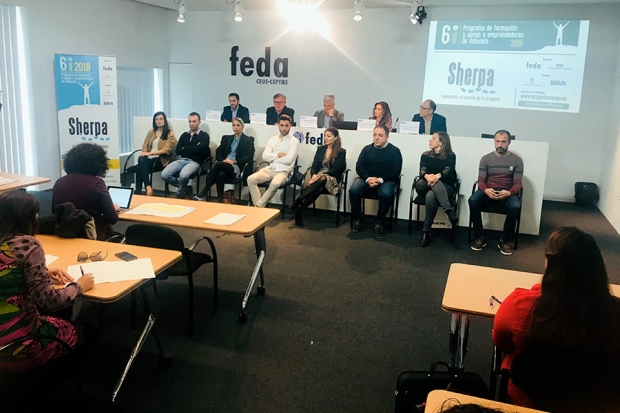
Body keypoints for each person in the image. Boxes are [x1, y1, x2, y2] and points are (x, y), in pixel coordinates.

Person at [492, 226, 620, 412]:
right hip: (597, 402)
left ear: (549, 263)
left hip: (531, 400)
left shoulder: (521, 306)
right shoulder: (615, 312)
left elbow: (501, 341)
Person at [0, 190, 95, 372]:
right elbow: (49, 300)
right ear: (27, 218)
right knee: (85, 331)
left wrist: (39, 272)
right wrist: (79, 286)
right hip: (15, 346)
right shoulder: (27, 245)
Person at [468, 130, 523, 256]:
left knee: (515, 206)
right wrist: (486, 190)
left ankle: (504, 240)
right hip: (489, 190)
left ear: (509, 142)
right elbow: (481, 181)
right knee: (473, 200)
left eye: (503, 142)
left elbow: (518, 184)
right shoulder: (486, 158)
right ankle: (479, 236)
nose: (500, 144)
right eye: (497, 141)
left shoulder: (517, 160)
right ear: (494, 142)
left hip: (507, 192)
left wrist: (509, 193)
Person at [52, 143, 118, 241]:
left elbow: (55, 211)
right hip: (92, 234)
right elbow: (112, 218)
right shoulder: (97, 184)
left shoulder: (59, 182)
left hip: (64, 233)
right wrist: (113, 208)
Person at [349, 124, 402, 236]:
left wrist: (380, 180)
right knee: (353, 190)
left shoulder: (395, 151)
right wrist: (368, 179)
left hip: (385, 180)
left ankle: (379, 221)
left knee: (387, 194)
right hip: (367, 178)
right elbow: (359, 166)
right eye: (374, 135)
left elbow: (395, 170)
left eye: (380, 135)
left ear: (387, 137)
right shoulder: (367, 149)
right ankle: (358, 218)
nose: (376, 138)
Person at [291, 126, 346, 227]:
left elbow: (338, 169)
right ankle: (299, 210)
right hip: (319, 180)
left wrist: (323, 175)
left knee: (323, 178)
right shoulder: (320, 149)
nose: (325, 138)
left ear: (335, 137)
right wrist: (314, 175)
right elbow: (314, 166)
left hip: (332, 178)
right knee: (319, 189)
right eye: (325, 136)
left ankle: (299, 200)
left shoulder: (341, 151)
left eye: (328, 136)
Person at [194, 117, 255, 203]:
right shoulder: (226, 138)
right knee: (221, 174)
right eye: (233, 125)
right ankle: (220, 201)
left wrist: (234, 161)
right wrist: (223, 160)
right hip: (224, 164)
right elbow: (218, 152)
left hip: (236, 166)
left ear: (242, 126)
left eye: (238, 125)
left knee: (218, 165)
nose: (236, 127)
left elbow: (249, 156)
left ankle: (203, 192)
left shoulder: (248, 140)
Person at [415, 132, 458, 247]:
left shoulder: (451, 156)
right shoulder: (425, 155)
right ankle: (449, 210)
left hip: (446, 187)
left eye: (433, 138)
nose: (430, 140)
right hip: (424, 184)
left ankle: (426, 232)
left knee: (431, 195)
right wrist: (428, 177)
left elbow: (448, 170)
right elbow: (422, 170)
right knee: (423, 185)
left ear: (441, 142)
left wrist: (437, 177)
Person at [247, 114, 300, 208]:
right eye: (282, 125)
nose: (284, 128)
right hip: (270, 169)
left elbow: (289, 160)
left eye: (286, 125)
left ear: (290, 126)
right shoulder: (273, 139)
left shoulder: (294, 141)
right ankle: (260, 207)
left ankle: (258, 207)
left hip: (283, 171)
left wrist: (272, 157)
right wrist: (278, 155)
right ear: (278, 125)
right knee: (250, 179)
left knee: (274, 184)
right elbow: (264, 156)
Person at [161, 112, 211, 199]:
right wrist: (194, 147)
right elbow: (178, 150)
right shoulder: (184, 135)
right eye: (190, 121)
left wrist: (185, 148)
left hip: (195, 162)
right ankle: (185, 188)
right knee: (164, 174)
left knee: (183, 175)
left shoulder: (204, 136)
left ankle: (180, 193)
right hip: (181, 160)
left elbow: (200, 149)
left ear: (199, 122)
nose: (191, 124)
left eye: (194, 121)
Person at [134, 111, 177, 196]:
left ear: (164, 120)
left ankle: (139, 191)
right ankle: (147, 187)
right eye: (156, 119)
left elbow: (166, 150)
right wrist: (145, 153)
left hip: (161, 160)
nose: (158, 121)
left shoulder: (169, 134)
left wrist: (150, 153)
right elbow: (145, 145)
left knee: (139, 166)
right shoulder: (151, 132)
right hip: (148, 159)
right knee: (141, 161)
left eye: (161, 119)